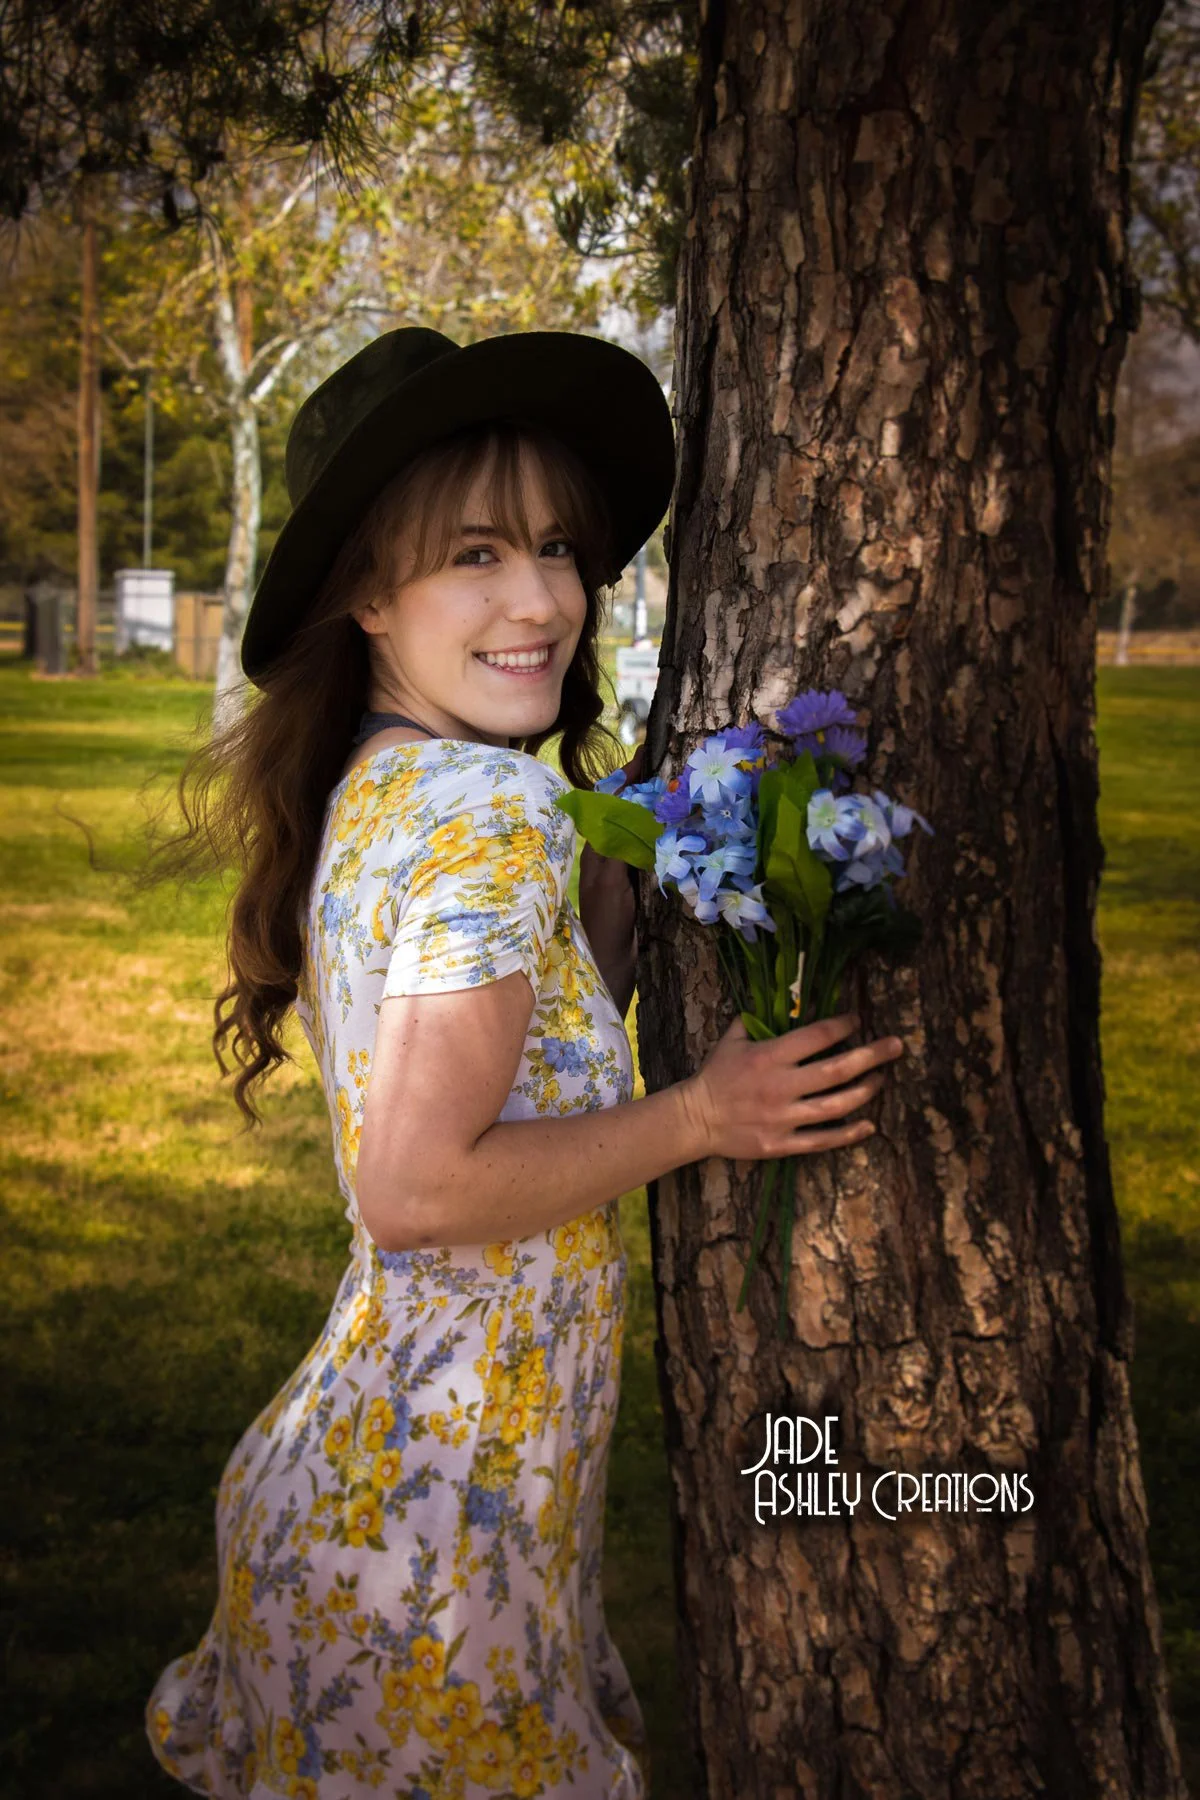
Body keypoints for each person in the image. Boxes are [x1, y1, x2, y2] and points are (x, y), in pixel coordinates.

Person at [143, 326, 905, 1798]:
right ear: (368, 594)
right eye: (476, 554)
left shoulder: (388, 785)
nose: (542, 599)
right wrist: (702, 1111)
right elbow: (420, 1187)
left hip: (407, 1491)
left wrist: (603, 916)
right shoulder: (482, 811)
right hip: (429, 1535)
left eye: (557, 548)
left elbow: (505, 1078)